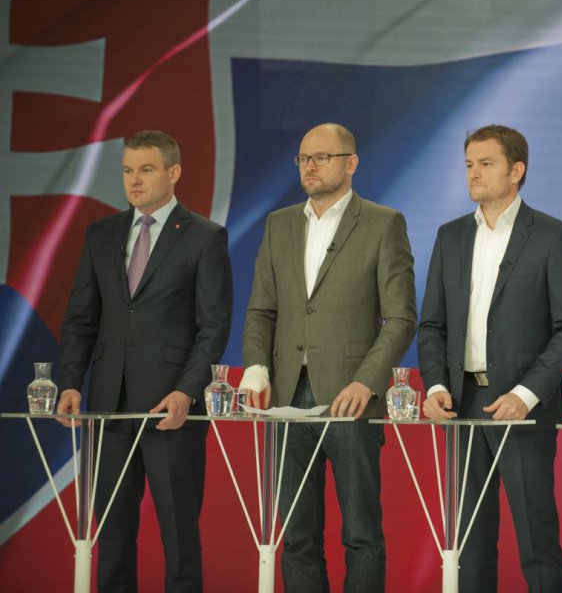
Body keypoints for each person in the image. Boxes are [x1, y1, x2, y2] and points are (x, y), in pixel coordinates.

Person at [239, 123, 416, 592]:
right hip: (285, 396)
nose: (310, 166)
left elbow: (400, 318)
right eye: (303, 158)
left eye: (322, 157)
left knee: (361, 533)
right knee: (297, 536)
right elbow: (261, 309)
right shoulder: (279, 224)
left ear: (351, 163)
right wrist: (256, 367)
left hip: (351, 398)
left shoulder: (383, 223)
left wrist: (366, 381)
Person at [57, 130, 233, 592]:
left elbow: (213, 327)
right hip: (109, 406)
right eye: (127, 170)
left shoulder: (204, 237)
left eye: (146, 169)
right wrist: (71, 381)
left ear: (174, 173)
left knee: (178, 532)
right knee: (112, 534)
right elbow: (81, 317)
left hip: (171, 408)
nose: (134, 180)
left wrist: (186, 392)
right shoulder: (101, 234)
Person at [418, 124, 562, 593]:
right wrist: (436, 386)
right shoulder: (450, 236)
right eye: (469, 164)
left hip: (523, 409)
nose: (473, 173)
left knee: (536, 537)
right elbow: (432, 325)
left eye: (486, 163)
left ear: (516, 171)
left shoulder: (552, 235)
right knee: (470, 542)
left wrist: (526, 394)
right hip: (461, 404)